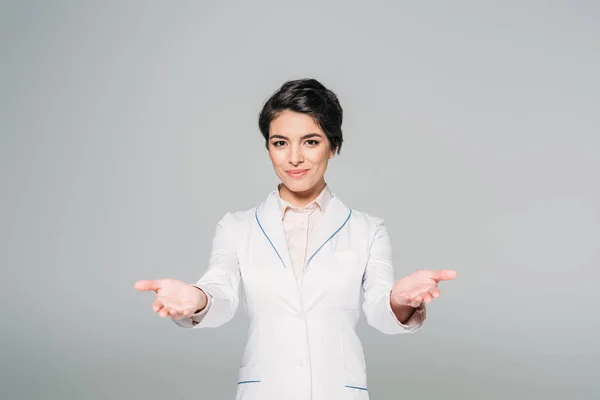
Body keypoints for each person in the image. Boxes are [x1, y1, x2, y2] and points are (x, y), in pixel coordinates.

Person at [134, 78, 457, 400]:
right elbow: (222, 291)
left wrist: (399, 300)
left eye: (311, 142)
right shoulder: (237, 226)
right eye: (280, 142)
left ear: (334, 146)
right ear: (268, 148)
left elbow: (379, 311)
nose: (294, 158)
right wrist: (196, 299)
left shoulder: (367, 229)